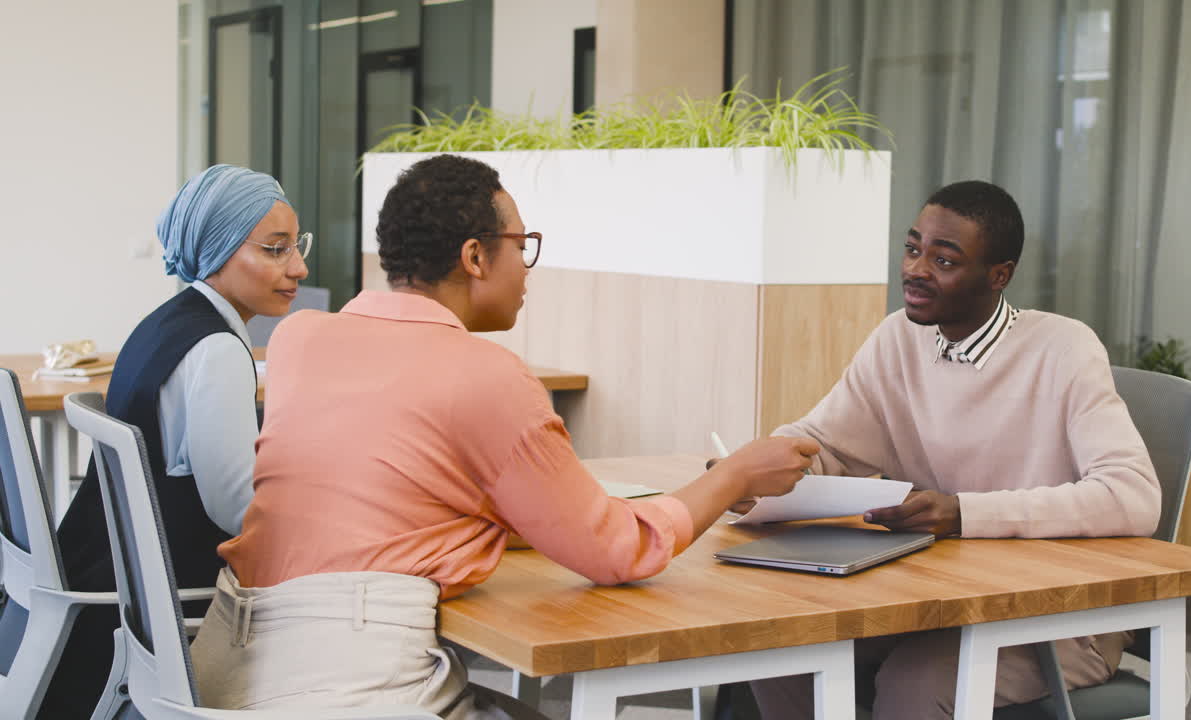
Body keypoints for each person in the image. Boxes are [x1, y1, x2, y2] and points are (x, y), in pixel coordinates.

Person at [188, 154, 819, 717]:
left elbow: (399, 494)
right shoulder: (490, 376)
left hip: (219, 667)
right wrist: (731, 476)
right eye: (523, 244)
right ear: (475, 257)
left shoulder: (301, 339)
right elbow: (616, 552)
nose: (527, 266)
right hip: (351, 685)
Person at [747, 180, 1160, 719]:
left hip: (1054, 613)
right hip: (930, 599)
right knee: (786, 648)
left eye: (943, 259)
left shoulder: (1064, 348)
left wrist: (965, 512)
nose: (916, 269)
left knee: (915, 685)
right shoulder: (899, 338)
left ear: (998, 275)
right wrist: (753, 472)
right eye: (913, 248)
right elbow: (826, 442)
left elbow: (1133, 495)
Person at [43, 165, 310, 718]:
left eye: (296, 247)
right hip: (176, 590)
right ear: (216, 251)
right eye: (276, 250)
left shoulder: (162, 323)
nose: (299, 268)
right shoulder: (217, 350)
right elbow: (236, 509)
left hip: (112, 572)